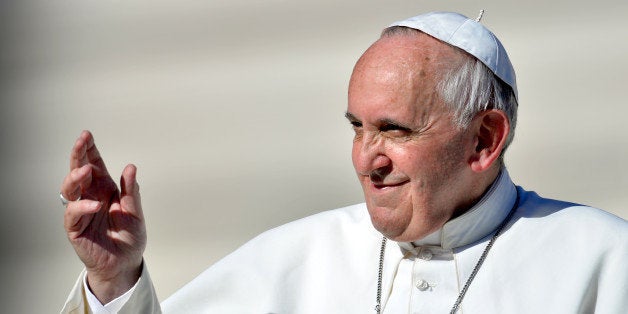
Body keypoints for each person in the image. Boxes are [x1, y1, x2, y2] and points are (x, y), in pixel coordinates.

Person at [60, 11, 627, 313]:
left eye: (394, 130)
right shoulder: (292, 259)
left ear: (484, 140)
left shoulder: (603, 261)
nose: (366, 160)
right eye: (358, 128)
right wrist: (114, 282)